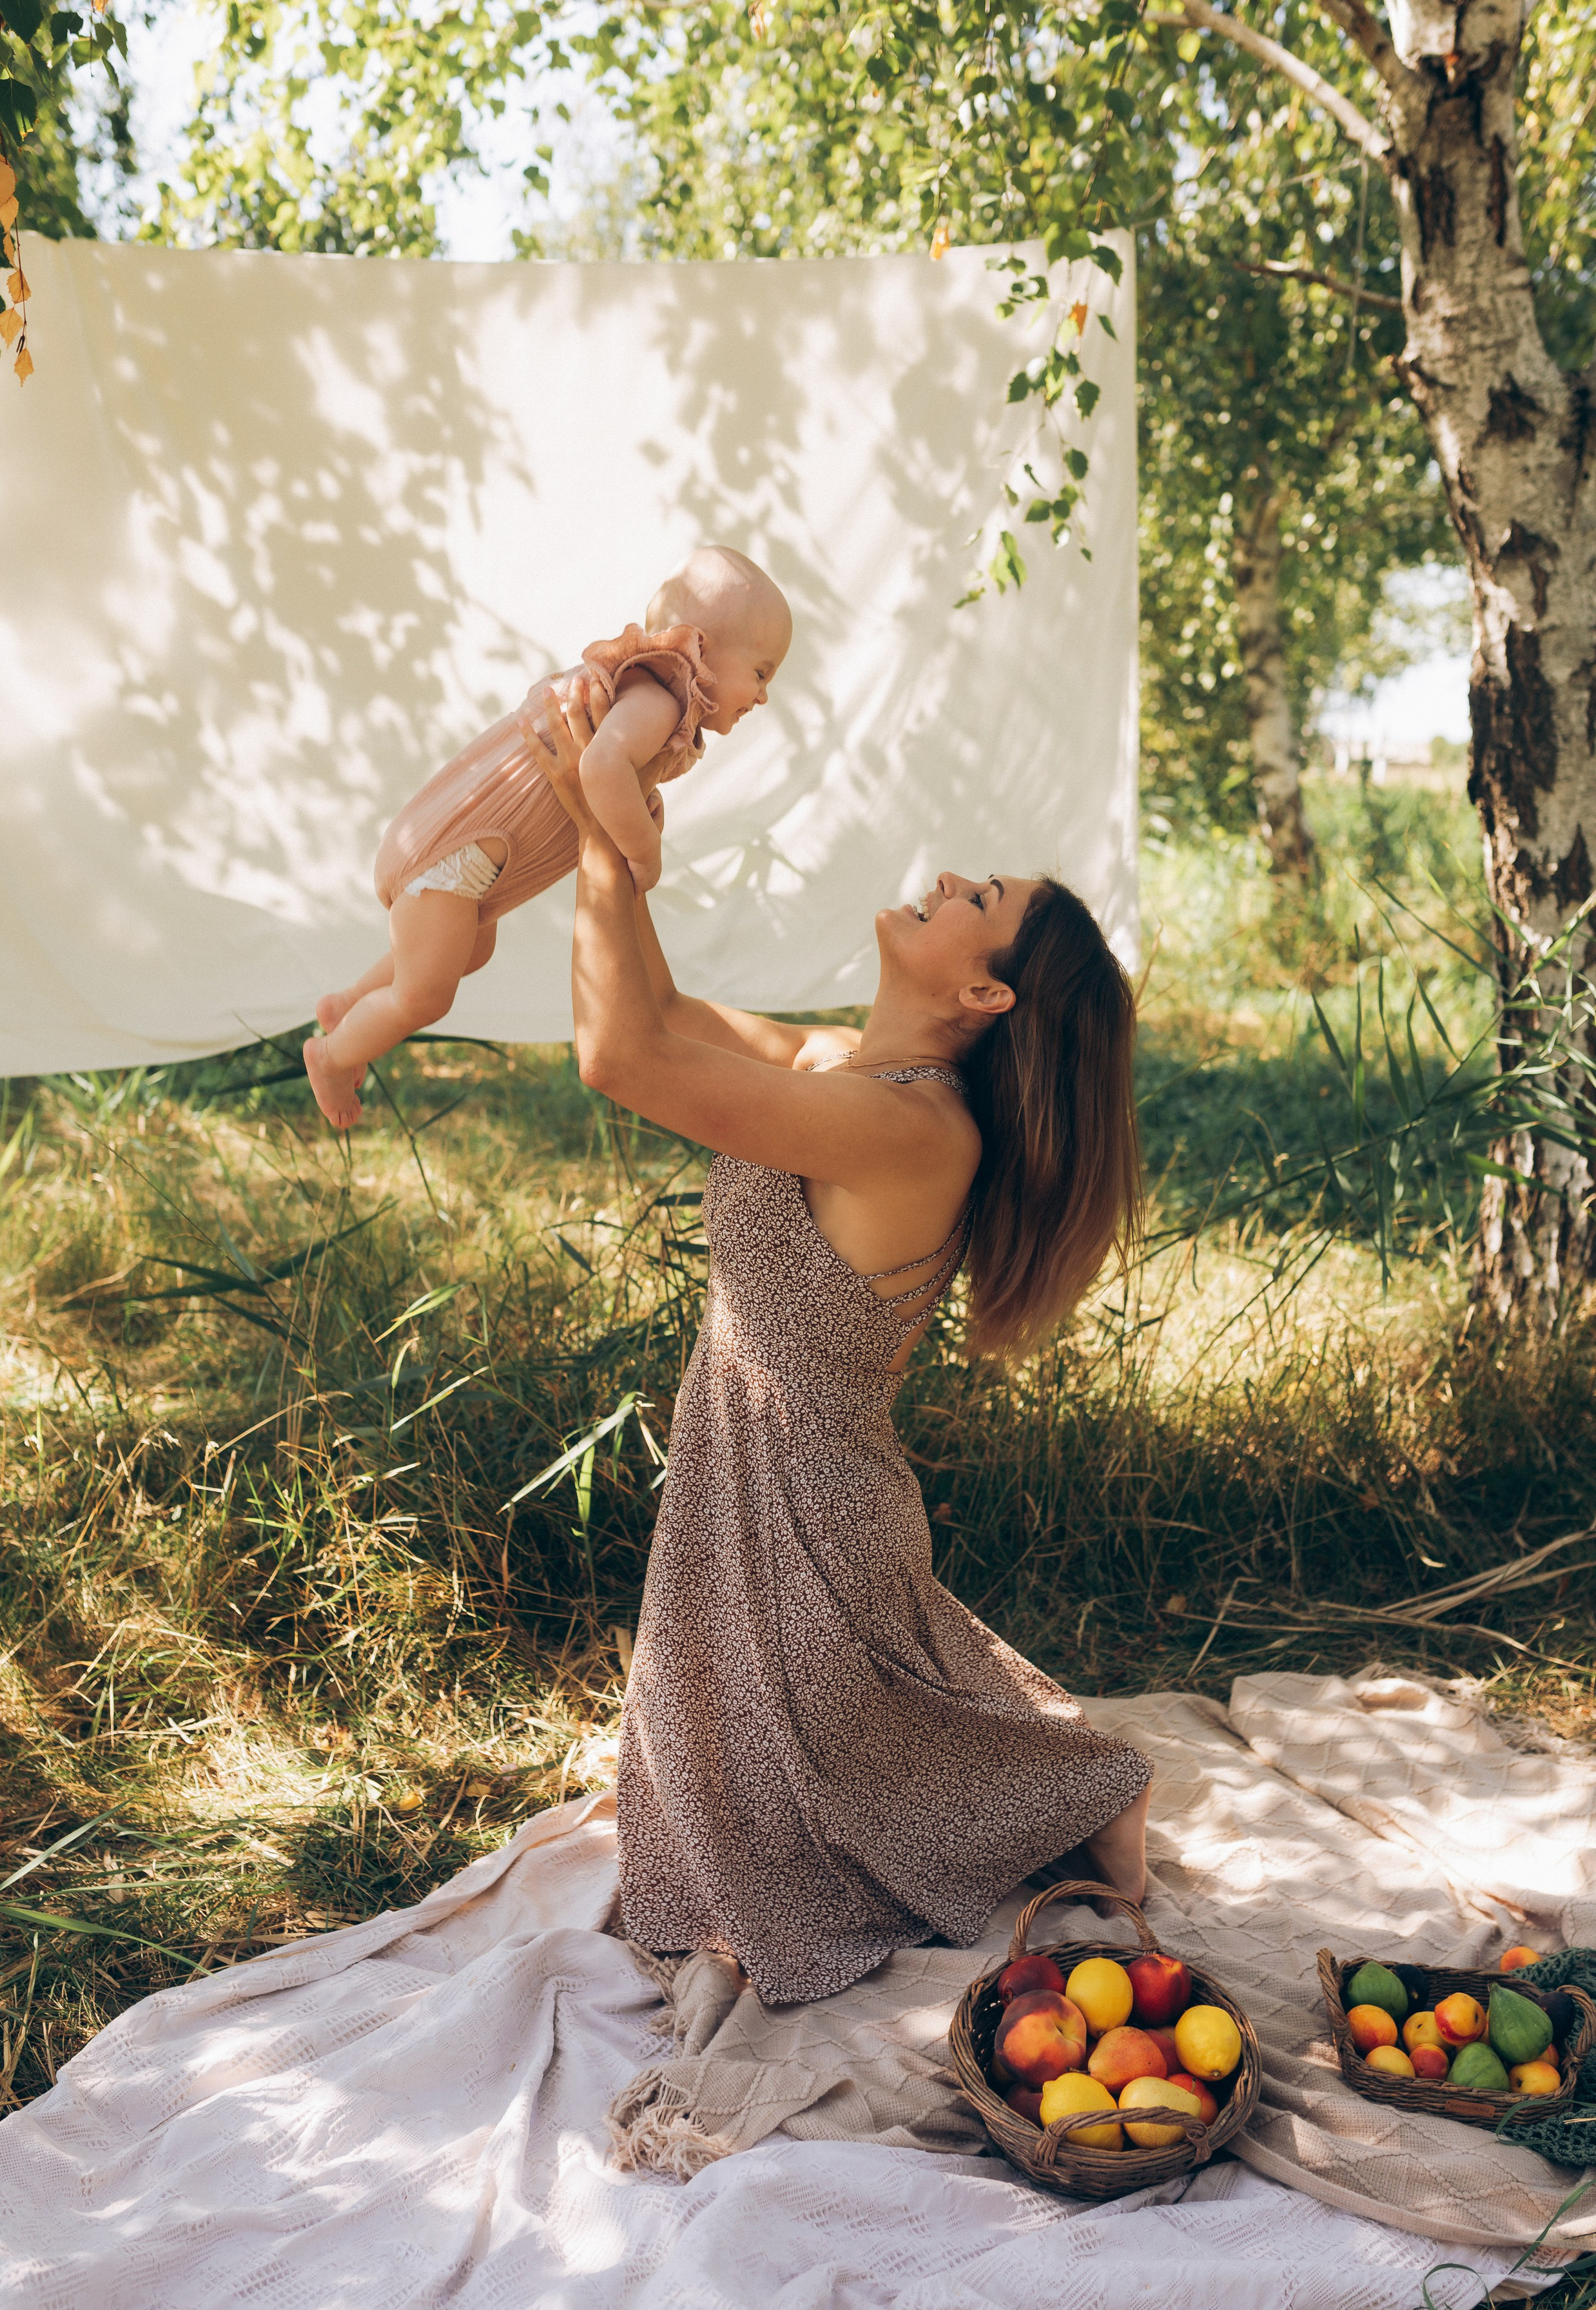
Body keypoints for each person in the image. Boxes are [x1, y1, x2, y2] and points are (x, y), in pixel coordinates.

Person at [518, 681, 1154, 2010]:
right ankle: (1050, 1789)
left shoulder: (916, 1132)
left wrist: (595, 828)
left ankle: (1085, 1797)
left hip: (806, 1523)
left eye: (973, 895)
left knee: (792, 1846)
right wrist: (621, 825)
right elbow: (669, 1013)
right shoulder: (838, 1076)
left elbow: (615, 1055)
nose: (941, 879)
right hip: (752, 1493)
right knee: (711, 1834)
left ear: (981, 990)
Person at [303, 546, 792, 1130]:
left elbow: (616, 773)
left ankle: (350, 1003)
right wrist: (644, 849)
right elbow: (602, 768)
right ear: (700, 650)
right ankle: (330, 1056)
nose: (763, 695)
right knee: (425, 996)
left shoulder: (648, 699)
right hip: (452, 854)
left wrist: (641, 797)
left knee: (469, 951)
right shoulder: (662, 696)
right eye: (761, 672)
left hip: (460, 859)